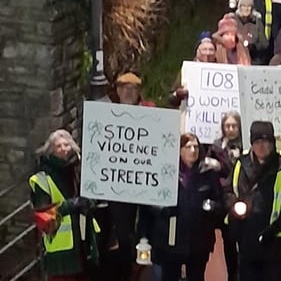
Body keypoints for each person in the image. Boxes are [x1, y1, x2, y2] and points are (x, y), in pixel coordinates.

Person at [225, 121, 281, 281]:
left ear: (273, 143)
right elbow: (228, 192)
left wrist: (275, 227)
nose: (262, 146)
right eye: (257, 141)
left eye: (266, 141)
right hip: (246, 236)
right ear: (252, 143)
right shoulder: (241, 164)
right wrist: (234, 206)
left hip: (274, 240)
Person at [138, 133, 223, 281]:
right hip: (170, 238)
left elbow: (220, 200)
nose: (193, 150)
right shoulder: (165, 171)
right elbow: (149, 200)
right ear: (178, 149)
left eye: (196, 146)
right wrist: (163, 209)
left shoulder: (209, 172)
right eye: (188, 146)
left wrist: (213, 207)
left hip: (198, 240)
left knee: (196, 276)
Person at [29, 130, 99, 281]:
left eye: (66, 144)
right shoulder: (42, 178)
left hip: (81, 241)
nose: (63, 149)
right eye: (58, 146)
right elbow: (44, 215)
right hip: (60, 247)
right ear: (50, 149)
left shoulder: (75, 169)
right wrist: (72, 205)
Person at [107, 72, 155, 281]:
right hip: (120, 184)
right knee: (123, 230)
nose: (128, 92)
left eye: (132, 89)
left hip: (146, 182)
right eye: (124, 88)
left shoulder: (150, 111)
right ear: (117, 91)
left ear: (138, 92)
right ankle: (127, 268)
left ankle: (143, 267)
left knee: (146, 227)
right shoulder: (108, 114)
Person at [207, 113, 243, 281]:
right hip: (222, 201)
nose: (230, 129)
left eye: (233, 126)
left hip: (241, 200)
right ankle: (231, 275)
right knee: (228, 241)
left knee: (242, 241)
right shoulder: (216, 146)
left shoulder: (246, 147)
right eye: (227, 126)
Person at [168, 31, 217, 107]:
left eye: (211, 50)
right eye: (204, 49)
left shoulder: (222, 71)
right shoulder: (187, 70)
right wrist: (177, 95)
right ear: (197, 51)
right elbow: (171, 98)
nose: (208, 53)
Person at [232, 0, 269, 65]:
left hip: (253, 60)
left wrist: (254, 46)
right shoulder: (232, 20)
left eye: (249, 6)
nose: (246, 9)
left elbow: (264, 43)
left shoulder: (257, 22)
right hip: (234, 59)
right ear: (239, 6)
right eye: (243, 6)